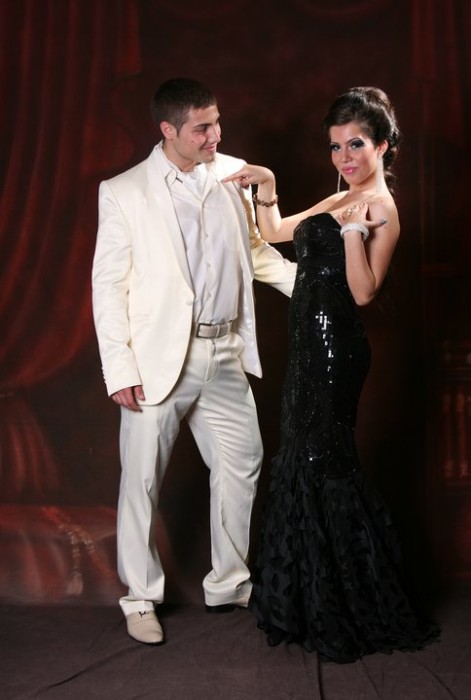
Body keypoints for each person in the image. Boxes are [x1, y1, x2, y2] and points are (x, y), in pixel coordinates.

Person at [223, 86, 439, 663]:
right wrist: (268, 186)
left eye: (356, 144)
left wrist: (351, 232)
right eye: (336, 146)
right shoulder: (342, 193)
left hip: (337, 349)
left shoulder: (382, 207)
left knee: (327, 461)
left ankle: (354, 603)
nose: (345, 157)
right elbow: (276, 232)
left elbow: (364, 292)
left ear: (382, 145)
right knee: (301, 454)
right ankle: (307, 601)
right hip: (305, 346)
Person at [91, 78, 296, 645]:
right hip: (158, 360)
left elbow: (254, 252)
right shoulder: (123, 191)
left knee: (243, 462)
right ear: (168, 130)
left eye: (217, 122)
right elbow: (108, 287)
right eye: (202, 127)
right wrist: (120, 369)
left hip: (225, 350)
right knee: (142, 480)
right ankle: (140, 598)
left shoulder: (232, 174)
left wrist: (313, 288)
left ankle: (228, 583)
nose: (216, 135)